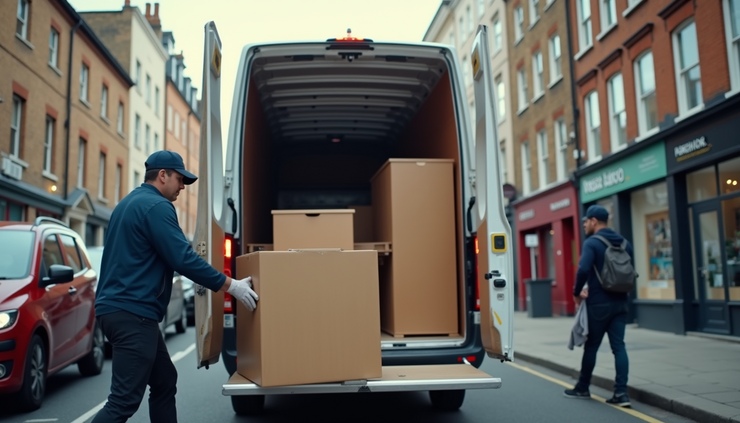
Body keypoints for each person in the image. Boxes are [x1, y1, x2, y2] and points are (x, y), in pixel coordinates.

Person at [92, 151, 259, 423]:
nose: (183, 187)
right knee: (123, 401)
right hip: (134, 313)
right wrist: (232, 286)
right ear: (162, 175)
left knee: (164, 381)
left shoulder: (128, 204)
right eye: (180, 179)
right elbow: (183, 258)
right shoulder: (157, 207)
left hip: (121, 310)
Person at [564, 204, 633, 407]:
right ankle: (621, 393)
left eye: (586, 221)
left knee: (591, 346)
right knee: (619, 347)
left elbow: (583, 269)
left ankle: (583, 387)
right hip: (620, 302)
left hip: (598, 303)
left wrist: (577, 293)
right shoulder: (624, 243)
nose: (584, 224)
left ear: (594, 221)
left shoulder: (592, 243)